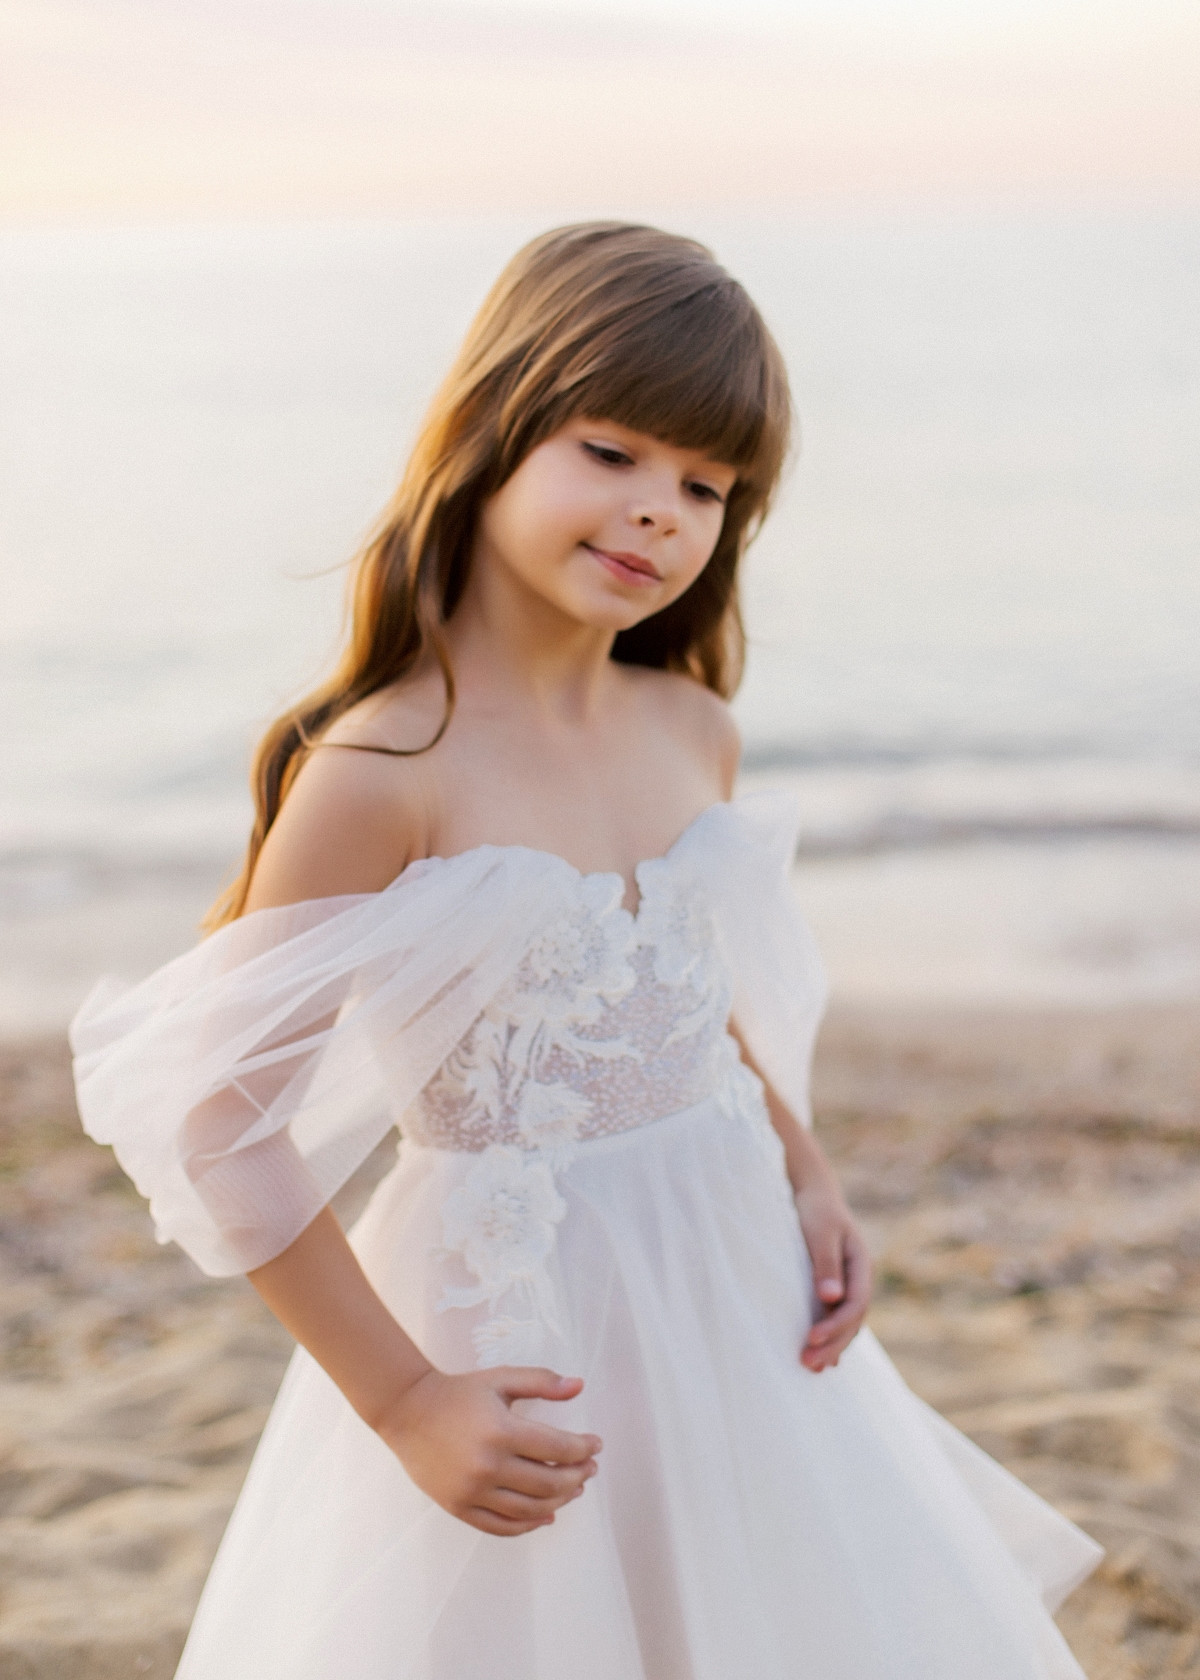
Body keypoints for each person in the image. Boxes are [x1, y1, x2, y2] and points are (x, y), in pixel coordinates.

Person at [71, 222, 1101, 1679]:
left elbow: (699, 994)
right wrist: (411, 1403)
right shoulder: (385, 769)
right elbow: (224, 1124)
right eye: (612, 452)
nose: (660, 514)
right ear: (494, 424)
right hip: (518, 1313)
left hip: (734, 1272)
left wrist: (810, 1172)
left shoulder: (693, 732)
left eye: (706, 486)